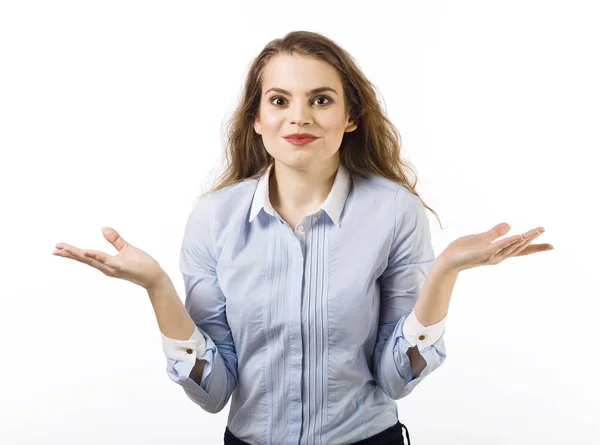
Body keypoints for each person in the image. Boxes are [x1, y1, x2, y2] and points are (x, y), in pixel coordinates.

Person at [52, 30, 553, 445]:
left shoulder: (393, 210)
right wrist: (157, 286)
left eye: (321, 99)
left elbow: (397, 379)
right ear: (257, 118)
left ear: (349, 116)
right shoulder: (214, 217)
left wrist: (444, 273)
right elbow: (213, 393)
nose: (299, 116)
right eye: (279, 100)